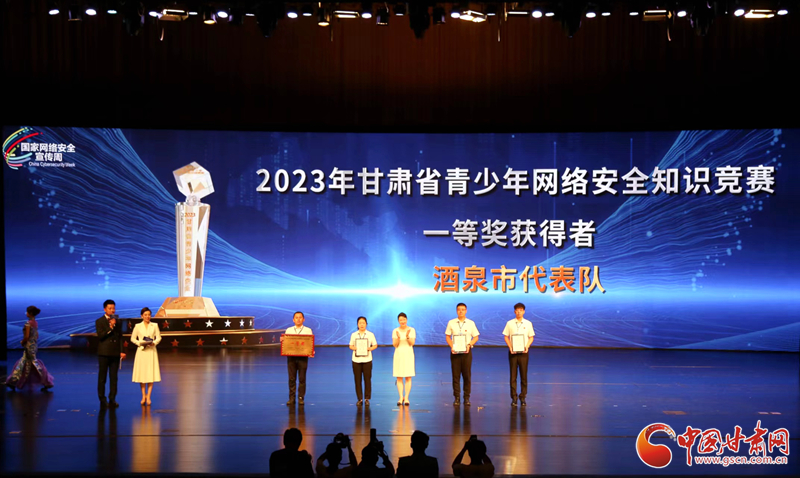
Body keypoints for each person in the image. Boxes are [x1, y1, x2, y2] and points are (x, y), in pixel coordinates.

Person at [5, 306, 55, 392]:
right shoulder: (35, 323)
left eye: (27, 312)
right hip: (34, 345)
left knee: (31, 364)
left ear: (30, 313)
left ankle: (47, 382)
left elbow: (27, 336)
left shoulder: (28, 323)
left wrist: (22, 342)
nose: (26, 313)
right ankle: (13, 382)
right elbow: (37, 335)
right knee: (25, 363)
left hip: (28, 345)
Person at [445, 303, 480, 406]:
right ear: (456, 311)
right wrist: (452, 346)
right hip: (455, 353)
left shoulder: (470, 323)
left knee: (467, 376)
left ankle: (466, 397)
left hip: (466, 353)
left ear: (466, 311)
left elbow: (476, 337)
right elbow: (447, 337)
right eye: (459, 309)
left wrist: (469, 344)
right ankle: (456, 397)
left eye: (463, 309)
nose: (461, 311)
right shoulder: (451, 322)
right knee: (455, 376)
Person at [502, 302, 535, 407]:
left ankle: (523, 396)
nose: (519, 312)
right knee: (513, 376)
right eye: (517, 310)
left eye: (521, 310)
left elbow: (531, 337)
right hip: (513, 352)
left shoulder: (528, 323)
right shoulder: (510, 323)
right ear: (514, 311)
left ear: (524, 311)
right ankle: (514, 397)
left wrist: (527, 346)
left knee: (523, 376)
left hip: (524, 353)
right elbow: (506, 336)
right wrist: (510, 347)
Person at [96, 299, 125, 408]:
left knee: (114, 378)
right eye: (110, 308)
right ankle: (102, 399)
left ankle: (112, 399)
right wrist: (111, 327)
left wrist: (121, 351)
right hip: (104, 353)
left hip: (115, 353)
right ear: (105, 309)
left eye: (113, 308)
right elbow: (101, 336)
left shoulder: (118, 321)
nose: (112, 310)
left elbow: (120, 337)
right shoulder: (99, 321)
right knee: (102, 378)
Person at [131, 307, 162, 406]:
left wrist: (154, 343)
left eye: (149, 315)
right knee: (142, 374)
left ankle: (149, 396)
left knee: (150, 374)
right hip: (142, 352)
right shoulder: (137, 326)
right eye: (145, 315)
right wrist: (140, 343)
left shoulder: (154, 325)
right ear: (142, 316)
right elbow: (133, 338)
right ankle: (143, 395)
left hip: (151, 351)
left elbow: (159, 337)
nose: (147, 316)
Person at [283, 311, 313, 405]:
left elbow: (310, 343)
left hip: (303, 357)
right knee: (291, 378)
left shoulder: (308, 330)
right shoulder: (289, 330)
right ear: (293, 320)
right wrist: (282, 341)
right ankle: (291, 398)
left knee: (302, 378)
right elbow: (286, 344)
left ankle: (301, 397)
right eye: (296, 317)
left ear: (303, 319)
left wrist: (311, 351)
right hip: (291, 357)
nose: (298, 319)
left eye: (300, 317)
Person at [349, 316, 378, 406]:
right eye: (360, 323)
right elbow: (350, 345)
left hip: (367, 359)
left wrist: (370, 348)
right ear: (357, 324)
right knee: (357, 380)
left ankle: (367, 398)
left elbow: (375, 345)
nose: (361, 325)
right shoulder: (354, 334)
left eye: (363, 323)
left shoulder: (370, 334)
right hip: (356, 360)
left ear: (366, 324)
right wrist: (354, 348)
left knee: (367, 379)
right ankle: (360, 399)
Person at [392, 312, 416, 406]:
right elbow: (395, 345)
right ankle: (400, 397)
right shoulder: (395, 330)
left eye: (404, 319)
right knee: (399, 377)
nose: (402, 321)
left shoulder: (411, 330)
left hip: (408, 354)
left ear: (407, 319)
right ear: (398, 321)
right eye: (400, 320)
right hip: (399, 354)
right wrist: (398, 338)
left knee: (408, 376)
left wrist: (407, 336)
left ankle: (406, 398)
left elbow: (412, 343)